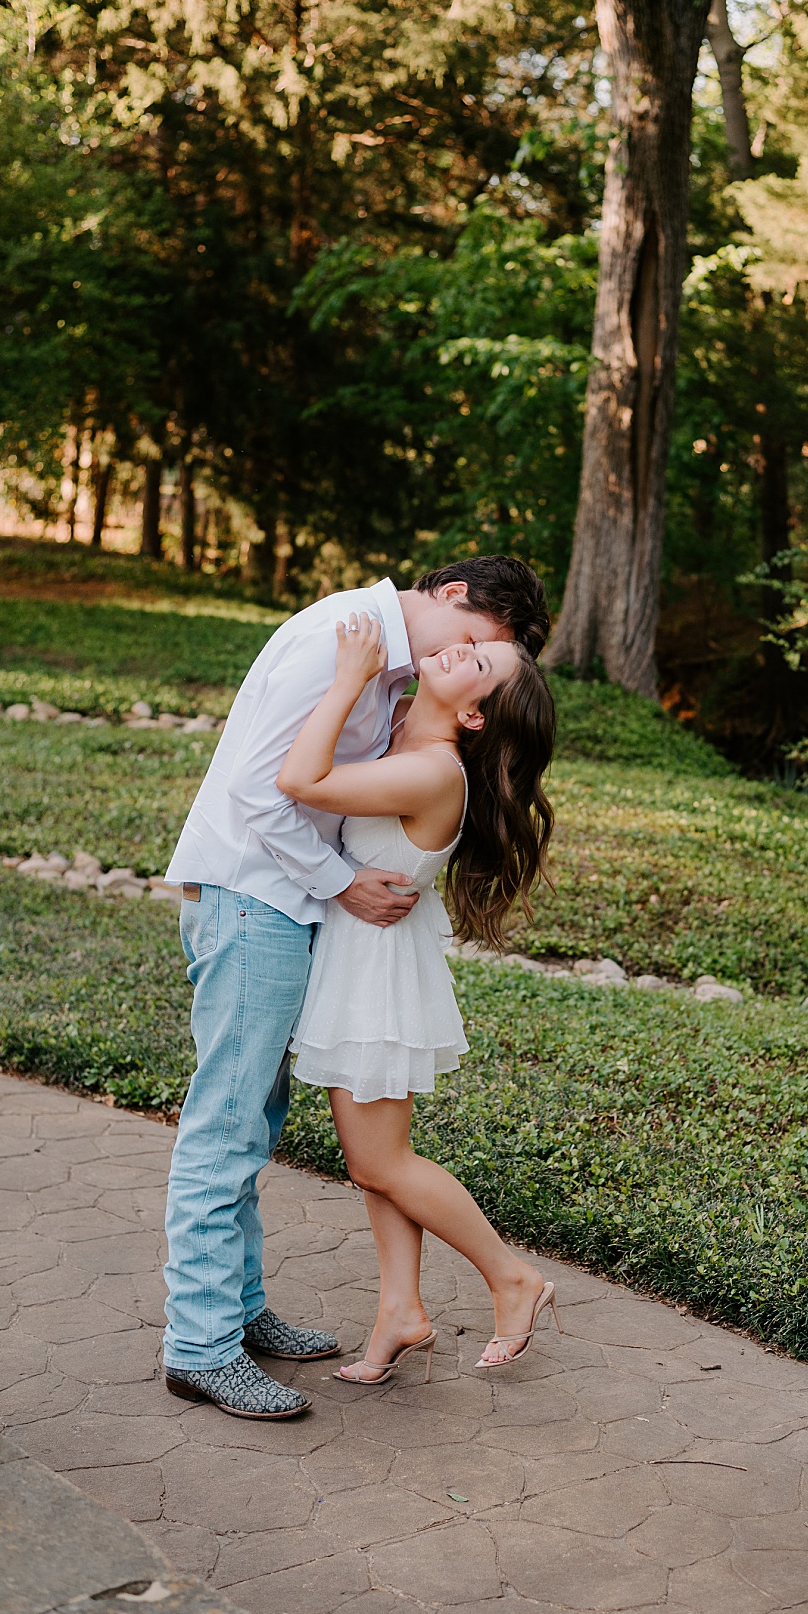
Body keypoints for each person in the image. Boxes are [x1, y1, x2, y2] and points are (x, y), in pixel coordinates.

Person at [158, 558, 548, 1420]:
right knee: (226, 1121)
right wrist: (338, 881)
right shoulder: (342, 640)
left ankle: (238, 1308)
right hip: (256, 897)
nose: (467, 657)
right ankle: (199, 1344)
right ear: (453, 598)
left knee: (252, 1120)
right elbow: (270, 792)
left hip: (296, 910)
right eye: (483, 642)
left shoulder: (393, 673)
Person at [276, 612, 559, 1387]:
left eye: (481, 663)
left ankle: (511, 1277)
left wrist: (346, 679)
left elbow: (299, 780)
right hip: (369, 964)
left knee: (380, 1159)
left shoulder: (434, 767)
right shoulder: (409, 735)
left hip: (374, 976)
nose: (463, 645)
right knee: (376, 1166)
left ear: (473, 714)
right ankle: (400, 1310)